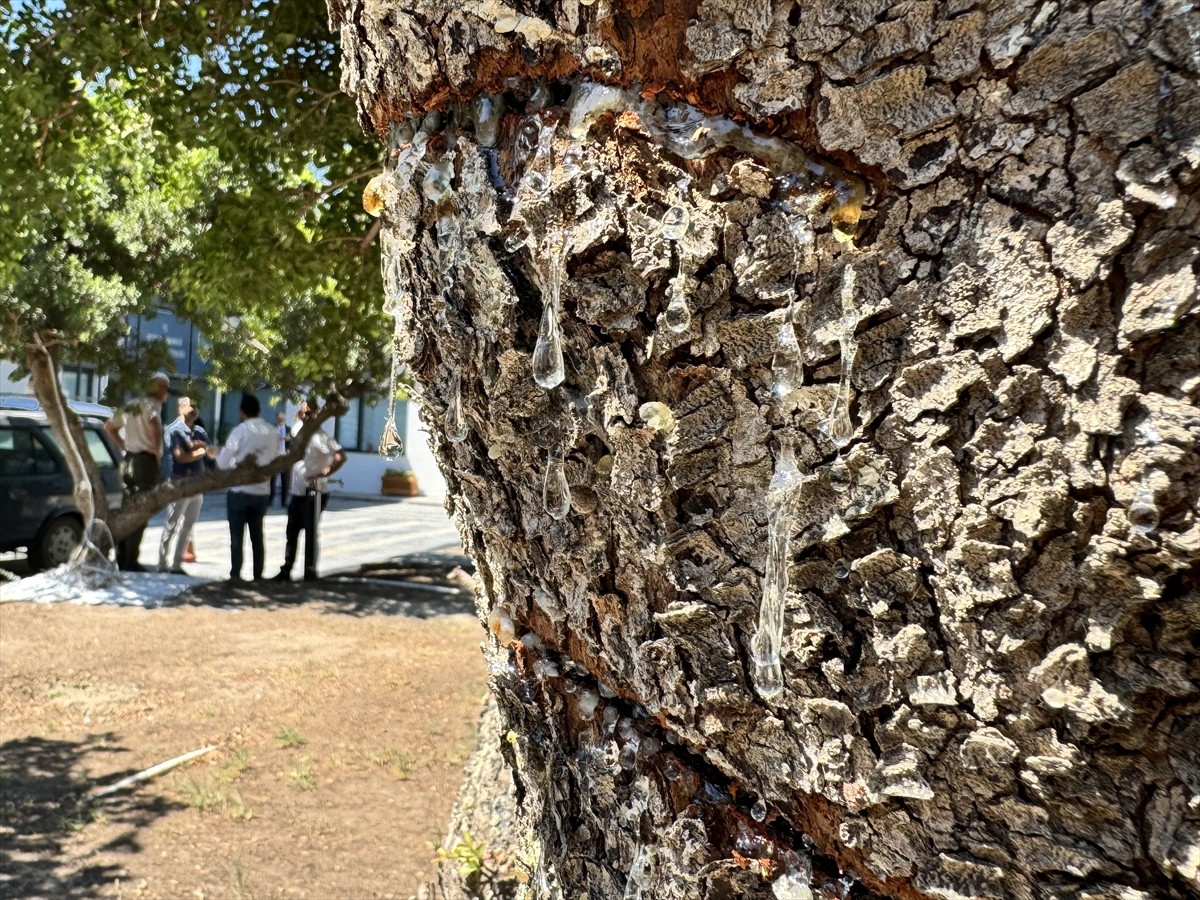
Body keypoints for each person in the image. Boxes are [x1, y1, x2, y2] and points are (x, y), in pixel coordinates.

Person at [104, 371, 170, 571]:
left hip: (129, 459)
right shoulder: (151, 405)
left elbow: (109, 426)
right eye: (165, 388)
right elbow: (153, 423)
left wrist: (124, 446)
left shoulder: (132, 403)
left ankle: (122, 557)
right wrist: (156, 451)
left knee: (127, 510)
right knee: (141, 511)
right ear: (157, 388)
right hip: (145, 461)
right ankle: (130, 560)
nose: (167, 393)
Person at [274, 400, 346, 582]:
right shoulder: (297, 430)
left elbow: (340, 456)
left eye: (308, 413)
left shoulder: (321, 437)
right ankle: (286, 569)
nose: (305, 416)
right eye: (303, 412)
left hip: (314, 492)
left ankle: (310, 572)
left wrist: (323, 473)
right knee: (291, 532)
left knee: (311, 533)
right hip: (297, 491)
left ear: (316, 415)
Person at [216, 394, 279, 581]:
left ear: (242, 412)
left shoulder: (240, 431)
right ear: (259, 410)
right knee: (257, 535)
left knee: (237, 536)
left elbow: (222, 463)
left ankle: (236, 574)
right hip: (262, 490)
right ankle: (258, 575)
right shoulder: (272, 431)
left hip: (240, 490)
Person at [157, 398, 210, 574]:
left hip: (197, 484)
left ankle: (177, 564)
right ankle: (163, 564)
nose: (194, 409)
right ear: (180, 408)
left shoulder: (200, 431)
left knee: (188, 526)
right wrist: (200, 451)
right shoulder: (174, 430)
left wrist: (206, 449)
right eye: (190, 406)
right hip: (179, 483)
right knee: (171, 525)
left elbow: (212, 452)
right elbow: (180, 457)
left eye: (196, 406)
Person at [271, 411, 291, 508]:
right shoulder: (272, 428)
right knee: (272, 480)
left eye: (282, 419)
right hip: (275, 457)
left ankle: (284, 501)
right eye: (279, 419)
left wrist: (289, 439)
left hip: (285, 457)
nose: (280, 420)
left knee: (285, 480)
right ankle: (270, 500)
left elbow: (294, 442)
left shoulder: (289, 429)